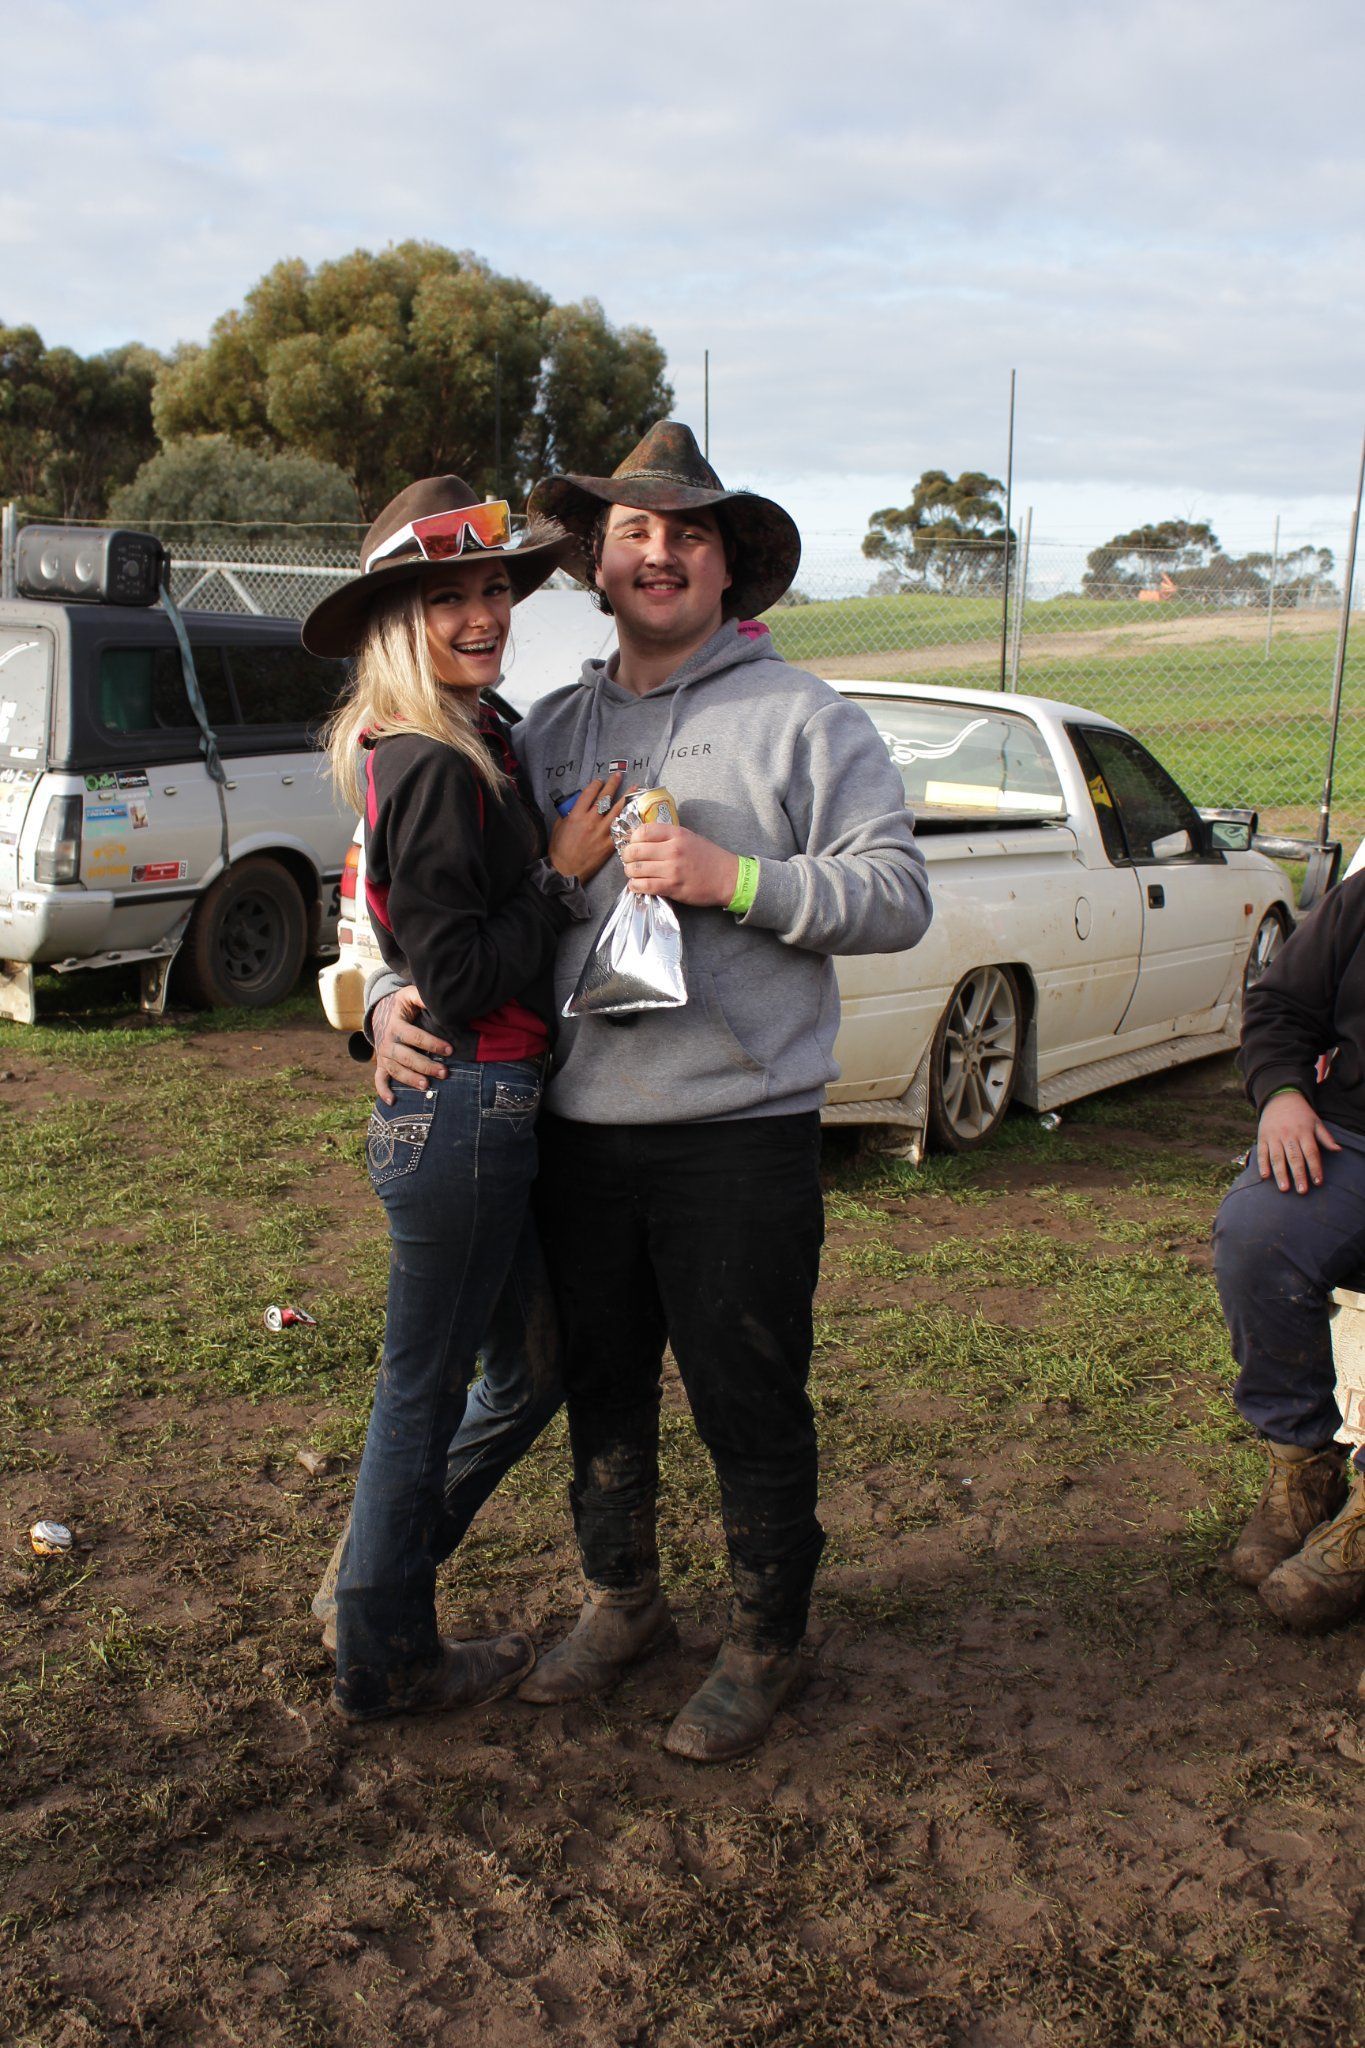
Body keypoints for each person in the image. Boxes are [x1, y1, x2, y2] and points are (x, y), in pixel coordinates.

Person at [371, 421, 933, 1760]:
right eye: (632, 530)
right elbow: (463, 910)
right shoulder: (547, 732)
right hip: (573, 1129)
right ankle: (623, 1600)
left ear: (729, 565)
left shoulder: (806, 720)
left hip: (737, 1133)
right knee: (602, 1386)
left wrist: (734, 879)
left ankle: (765, 1640)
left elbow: (898, 896)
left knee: (747, 1396)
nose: (659, 549)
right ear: (599, 565)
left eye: (686, 530)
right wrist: (391, 998)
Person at [302, 475, 624, 1723]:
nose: (485, 612)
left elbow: (397, 946)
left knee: (523, 1365)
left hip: (477, 1110)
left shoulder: (467, 735)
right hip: (467, 1109)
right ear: (402, 620)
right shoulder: (434, 761)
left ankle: (370, 1589)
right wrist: (556, 874)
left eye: (494, 588)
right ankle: (384, 1652)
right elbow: (464, 969)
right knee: (426, 1386)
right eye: (452, 597)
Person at [1213, 872, 1365, 1637]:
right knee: (1257, 1236)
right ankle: (1301, 1461)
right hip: (1348, 1138)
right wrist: (1279, 1094)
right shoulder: (1360, 898)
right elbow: (1278, 1005)